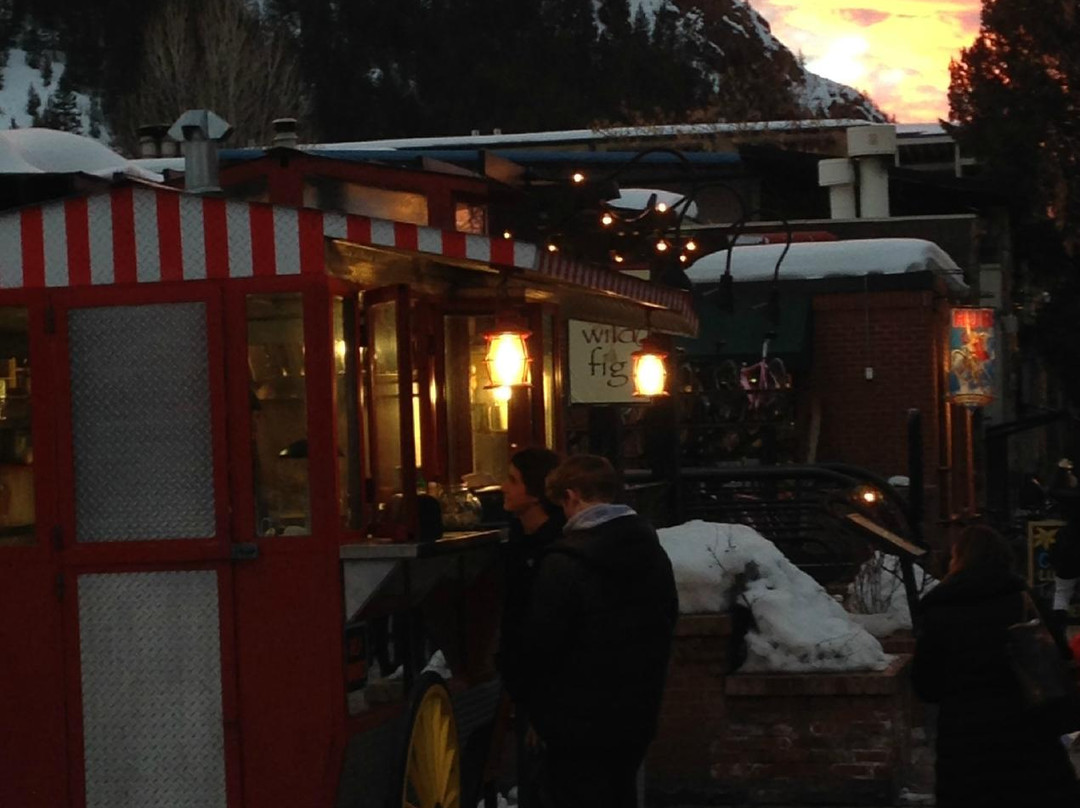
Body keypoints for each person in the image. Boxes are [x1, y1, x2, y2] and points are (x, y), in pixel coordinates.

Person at [522, 454, 678, 808]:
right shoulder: (649, 549)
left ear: (572, 496)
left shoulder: (563, 562)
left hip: (575, 718)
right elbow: (668, 615)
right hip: (638, 708)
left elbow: (544, 645)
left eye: (562, 504)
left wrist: (540, 715)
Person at [913, 524, 1080, 808]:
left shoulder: (939, 610)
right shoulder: (1024, 601)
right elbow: (1059, 656)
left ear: (957, 559)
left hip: (965, 745)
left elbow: (927, 686)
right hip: (1029, 738)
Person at [495, 448, 564, 808]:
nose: (503, 488)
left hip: (546, 690)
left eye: (512, 480)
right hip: (527, 682)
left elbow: (550, 630)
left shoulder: (554, 550)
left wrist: (542, 707)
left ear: (535, 492)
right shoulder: (521, 541)